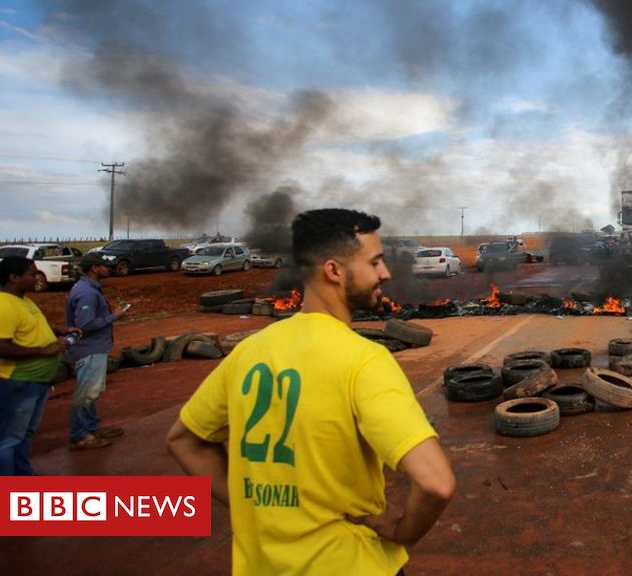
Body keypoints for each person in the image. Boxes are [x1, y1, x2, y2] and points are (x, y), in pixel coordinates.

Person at [167, 209, 455, 575]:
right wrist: (400, 531)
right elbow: (436, 482)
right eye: (375, 262)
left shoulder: (249, 352)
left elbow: (183, 440)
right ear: (334, 271)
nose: (385, 273)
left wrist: (245, 505)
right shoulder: (364, 360)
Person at [0, 257, 80, 499]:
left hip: (34, 383)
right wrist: (43, 350)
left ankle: (22, 478)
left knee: (24, 434)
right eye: (32, 274)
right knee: (7, 440)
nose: (37, 277)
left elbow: (32, 325)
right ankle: (0, 493)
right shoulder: (1, 306)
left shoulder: (22, 300)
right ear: (13, 277)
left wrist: (58, 330)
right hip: (15, 383)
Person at [65, 252, 127, 450]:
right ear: (94, 268)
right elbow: (86, 324)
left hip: (92, 348)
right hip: (89, 349)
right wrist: (114, 316)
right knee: (85, 394)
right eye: (104, 265)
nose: (108, 268)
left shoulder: (87, 288)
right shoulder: (87, 293)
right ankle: (79, 435)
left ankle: (91, 428)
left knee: (91, 393)